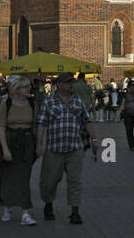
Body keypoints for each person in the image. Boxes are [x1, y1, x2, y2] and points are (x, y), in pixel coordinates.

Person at [37, 72, 97, 223]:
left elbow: (87, 121)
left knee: (74, 181)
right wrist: (39, 144)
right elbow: (41, 124)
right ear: (60, 85)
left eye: (72, 82)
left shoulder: (78, 101)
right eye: (69, 82)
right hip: (54, 149)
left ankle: (75, 212)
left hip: (75, 147)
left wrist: (94, 139)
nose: (72, 85)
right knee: (49, 181)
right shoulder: (49, 102)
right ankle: (48, 204)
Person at [0, 76, 38, 225]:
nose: (29, 89)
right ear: (18, 89)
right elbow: (0, 127)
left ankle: (25, 213)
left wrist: (38, 145)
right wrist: (5, 149)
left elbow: (35, 126)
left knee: (24, 178)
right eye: (26, 87)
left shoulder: (32, 104)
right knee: (8, 177)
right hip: (10, 140)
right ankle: (7, 207)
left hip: (26, 143)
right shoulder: (6, 105)